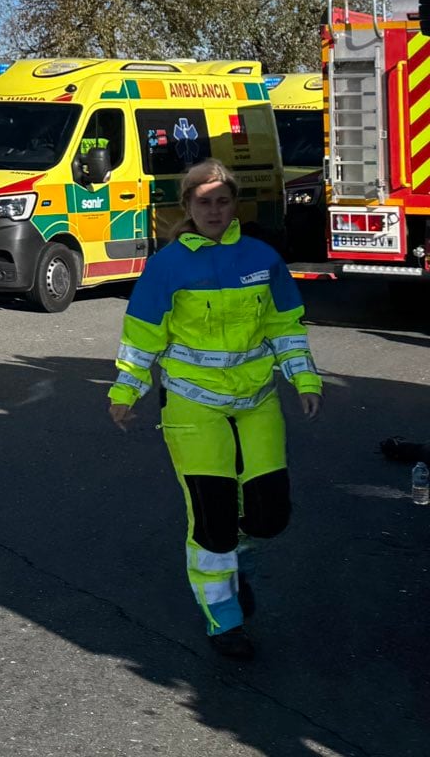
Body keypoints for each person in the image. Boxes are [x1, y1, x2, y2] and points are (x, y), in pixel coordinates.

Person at [108, 158, 322, 661]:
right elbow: (142, 338)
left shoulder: (262, 258)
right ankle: (224, 619)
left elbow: (286, 328)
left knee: (270, 517)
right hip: (192, 406)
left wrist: (304, 379)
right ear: (187, 206)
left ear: (234, 205)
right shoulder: (166, 266)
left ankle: (233, 549)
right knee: (212, 522)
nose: (214, 209)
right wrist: (125, 391)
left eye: (222, 200)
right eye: (203, 201)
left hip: (257, 402)